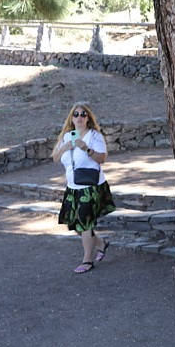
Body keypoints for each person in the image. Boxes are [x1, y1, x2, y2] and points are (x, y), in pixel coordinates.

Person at [52, 102, 116, 274]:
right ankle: (101, 244)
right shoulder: (67, 136)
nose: (79, 117)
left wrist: (85, 148)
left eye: (83, 114)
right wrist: (66, 146)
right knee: (75, 225)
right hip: (73, 187)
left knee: (85, 224)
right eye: (76, 114)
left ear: (88, 118)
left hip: (91, 187)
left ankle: (87, 260)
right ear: (71, 119)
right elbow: (55, 158)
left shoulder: (94, 136)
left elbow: (102, 158)